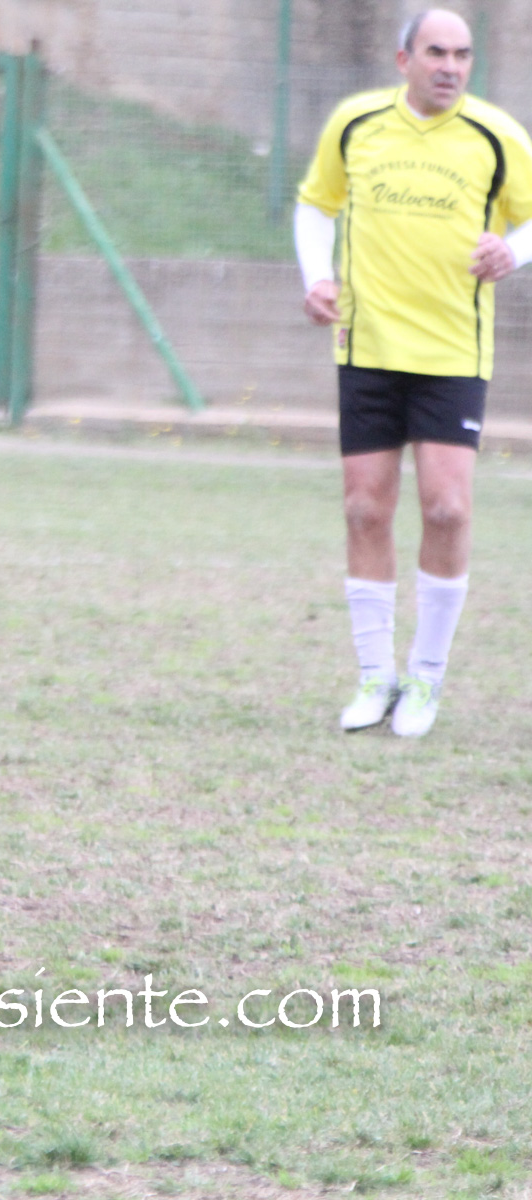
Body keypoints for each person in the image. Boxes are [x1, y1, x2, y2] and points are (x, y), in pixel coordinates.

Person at [295, 8, 532, 738]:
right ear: (404, 60)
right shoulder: (357, 124)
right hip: (367, 345)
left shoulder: (497, 136)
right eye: (436, 53)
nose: (450, 67)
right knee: (364, 509)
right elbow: (316, 204)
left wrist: (513, 251)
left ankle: (425, 679)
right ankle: (376, 677)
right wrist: (316, 276)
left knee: (448, 509)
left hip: (453, 350)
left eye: (462, 54)